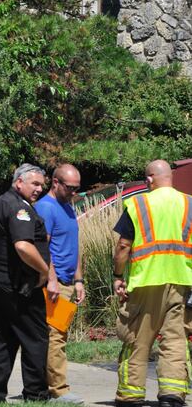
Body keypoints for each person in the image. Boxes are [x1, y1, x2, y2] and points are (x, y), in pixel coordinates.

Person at [111, 159, 192, 407]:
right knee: (175, 339)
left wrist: (117, 276)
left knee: (137, 337)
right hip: (181, 282)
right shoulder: (190, 204)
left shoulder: (138, 204)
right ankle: (172, 395)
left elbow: (124, 246)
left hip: (146, 281)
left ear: (149, 179)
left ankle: (131, 395)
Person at [0, 163, 51, 403]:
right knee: (35, 336)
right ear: (19, 182)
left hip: (1, 279)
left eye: (42, 185)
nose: (40, 189)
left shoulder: (1, 202)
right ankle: (36, 393)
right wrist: (45, 272)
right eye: (35, 183)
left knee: (4, 336)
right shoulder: (18, 207)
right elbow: (23, 246)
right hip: (18, 284)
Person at [34, 164, 86, 405]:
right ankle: (58, 390)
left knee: (59, 335)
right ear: (55, 182)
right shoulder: (45, 207)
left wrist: (78, 280)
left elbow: (74, 246)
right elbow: (44, 250)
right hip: (54, 286)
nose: (74, 192)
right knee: (56, 337)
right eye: (70, 188)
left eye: (77, 188)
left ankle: (51, 387)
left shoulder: (67, 206)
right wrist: (52, 280)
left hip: (67, 283)